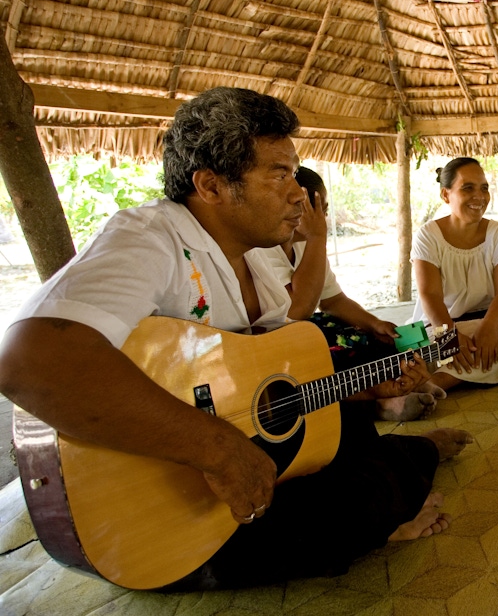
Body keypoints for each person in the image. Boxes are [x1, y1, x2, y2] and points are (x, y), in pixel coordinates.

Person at [0, 87, 473, 587]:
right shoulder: (149, 238)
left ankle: (404, 468)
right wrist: (217, 450)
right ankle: (407, 474)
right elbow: (29, 362)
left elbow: (265, 377)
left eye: (294, 173)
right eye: (278, 174)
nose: (298, 193)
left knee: (349, 426)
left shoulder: (252, 255)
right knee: (364, 501)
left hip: (240, 452)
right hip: (168, 503)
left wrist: (363, 389)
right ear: (211, 186)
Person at [265, 166, 445, 421]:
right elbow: (297, 311)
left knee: (376, 342)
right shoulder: (264, 249)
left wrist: (374, 324)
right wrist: (317, 237)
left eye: (325, 211)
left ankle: (402, 387)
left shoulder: (307, 247)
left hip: (308, 328)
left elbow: (333, 300)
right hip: (283, 339)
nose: (323, 219)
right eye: (318, 211)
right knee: (333, 360)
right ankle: (380, 405)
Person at [411, 157, 498, 391]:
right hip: (438, 327)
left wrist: (489, 329)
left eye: (484, 188)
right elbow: (429, 295)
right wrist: (449, 337)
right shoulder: (428, 235)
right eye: (467, 188)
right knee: (410, 345)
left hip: (488, 323)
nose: (479, 197)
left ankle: (437, 382)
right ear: (445, 195)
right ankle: (481, 369)